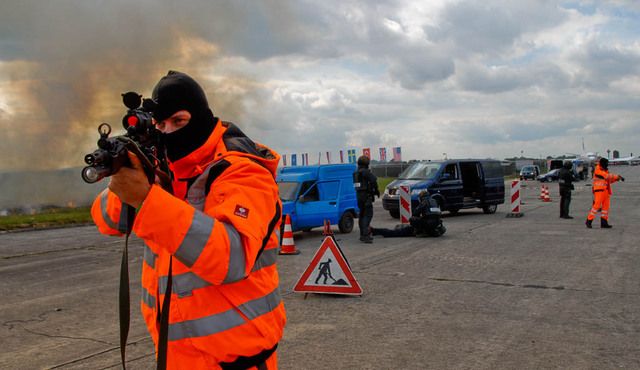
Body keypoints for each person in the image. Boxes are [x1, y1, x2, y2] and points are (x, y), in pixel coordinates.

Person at [91, 71, 285, 369]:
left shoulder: (243, 171)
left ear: (202, 117)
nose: (169, 131)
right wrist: (130, 179)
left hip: (237, 361)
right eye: (160, 125)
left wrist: (146, 198)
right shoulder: (166, 171)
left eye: (179, 121)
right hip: (175, 355)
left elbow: (230, 257)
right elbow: (108, 221)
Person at [370, 190, 446, 238]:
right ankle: (425, 231)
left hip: (425, 226)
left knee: (396, 232)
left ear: (421, 197)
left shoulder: (424, 202)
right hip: (435, 226)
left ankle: (374, 231)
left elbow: (415, 214)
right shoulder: (434, 201)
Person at [586, 157, 625, 228]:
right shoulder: (598, 169)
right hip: (599, 190)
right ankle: (589, 220)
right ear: (603, 163)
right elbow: (607, 176)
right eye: (606, 163)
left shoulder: (605, 170)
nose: (607, 165)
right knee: (596, 206)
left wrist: (617, 179)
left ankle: (604, 222)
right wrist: (617, 176)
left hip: (606, 191)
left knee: (605, 208)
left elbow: (609, 180)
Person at [353, 155, 380, 243]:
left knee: (362, 215)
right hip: (366, 196)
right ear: (367, 164)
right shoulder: (365, 172)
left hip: (359, 196)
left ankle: (362, 235)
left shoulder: (356, 173)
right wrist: (376, 191)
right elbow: (373, 181)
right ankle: (365, 235)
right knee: (368, 215)